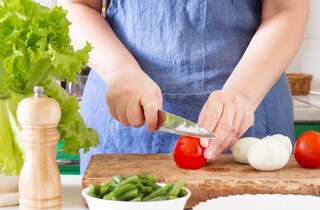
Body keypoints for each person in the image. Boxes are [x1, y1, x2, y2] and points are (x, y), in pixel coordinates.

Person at [58, 0, 309, 174]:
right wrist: (120, 71)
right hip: (125, 120)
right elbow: (75, 6)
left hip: (251, 109)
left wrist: (242, 93)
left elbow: (286, 9)